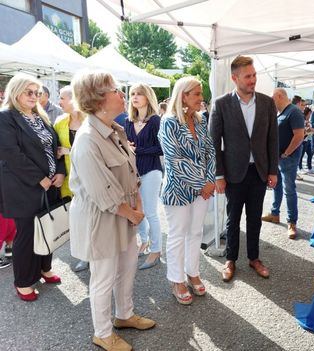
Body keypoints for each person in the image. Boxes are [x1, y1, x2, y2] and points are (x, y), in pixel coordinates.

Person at [69, 70, 156, 351]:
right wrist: (133, 213)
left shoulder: (114, 129)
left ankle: (124, 315)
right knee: (103, 278)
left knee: (127, 269)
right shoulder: (87, 139)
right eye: (116, 90)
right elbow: (102, 193)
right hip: (103, 219)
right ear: (98, 100)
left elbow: (131, 175)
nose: (122, 95)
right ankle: (103, 333)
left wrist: (137, 206)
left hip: (126, 214)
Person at [209, 55, 278, 282]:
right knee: (233, 218)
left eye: (254, 75)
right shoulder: (221, 104)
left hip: (258, 171)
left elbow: (272, 140)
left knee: (255, 217)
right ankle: (230, 259)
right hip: (233, 173)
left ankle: (254, 258)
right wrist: (218, 174)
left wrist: (273, 171)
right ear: (234, 78)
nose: (253, 80)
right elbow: (213, 144)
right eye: (248, 76)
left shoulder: (267, 103)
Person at [0, 73, 65, 301]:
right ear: (15, 91)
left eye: (37, 93)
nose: (34, 96)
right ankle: (24, 281)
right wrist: (40, 178)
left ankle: (44, 269)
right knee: (27, 234)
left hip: (50, 184)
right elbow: (10, 153)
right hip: (24, 186)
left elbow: (55, 148)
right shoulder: (6, 117)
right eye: (29, 92)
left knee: (47, 228)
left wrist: (59, 171)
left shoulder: (41, 116)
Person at [158, 76, 215, 305]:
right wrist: (202, 183)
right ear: (183, 95)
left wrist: (209, 180)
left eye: (201, 94)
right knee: (177, 234)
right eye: (198, 94)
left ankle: (193, 272)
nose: (202, 99)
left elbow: (210, 152)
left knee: (196, 233)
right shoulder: (169, 122)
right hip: (178, 190)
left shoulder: (201, 120)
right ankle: (176, 279)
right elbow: (174, 160)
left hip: (203, 188)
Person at [125, 83, 163, 270]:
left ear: (148, 97)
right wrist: (127, 148)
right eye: (132, 94)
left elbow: (162, 148)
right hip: (133, 173)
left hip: (152, 171)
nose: (135, 97)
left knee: (150, 212)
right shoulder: (128, 121)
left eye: (139, 94)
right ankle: (144, 241)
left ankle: (156, 250)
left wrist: (137, 149)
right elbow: (125, 146)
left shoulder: (156, 120)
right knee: (136, 210)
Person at [262, 88, 304, 239]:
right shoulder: (283, 112)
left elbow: (299, 135)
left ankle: (292, 222)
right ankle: (275, 213)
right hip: (278, 158)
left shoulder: (294, 112)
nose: (271, 101)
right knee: (276, 186)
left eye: (272, 98)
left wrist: (286, 153)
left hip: (288, 159)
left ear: (279, 96)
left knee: (289, 190)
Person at [54, 85, 88, 272]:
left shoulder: (90, 120)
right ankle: (84, 256)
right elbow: (54, 150)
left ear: (74, 98)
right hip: (69, 180)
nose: (59, 101)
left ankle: (95, 253)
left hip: (89, 179)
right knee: (76, 220)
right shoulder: (59, 122)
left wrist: (69, 151)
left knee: (91, 218)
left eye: (62, 98)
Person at [298, 106, 314, 174]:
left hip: (308, 139)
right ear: (307, 113)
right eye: (310, 114)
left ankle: (309, 167)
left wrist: (313, 131)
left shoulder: (307, 120)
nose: (310, 115)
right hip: (304, 140)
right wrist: (310, 129)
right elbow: (303, 131)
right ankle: (300, 168)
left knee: (310, 154)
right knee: (301, 155)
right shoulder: (303, 120)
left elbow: (308, 130)